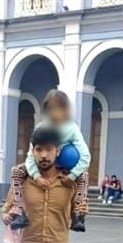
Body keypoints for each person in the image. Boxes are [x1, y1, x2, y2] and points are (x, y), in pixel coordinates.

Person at [9, 89, 90, 233]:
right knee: (16, 171)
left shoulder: (71, 128)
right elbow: (30, 155)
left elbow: (85, 157)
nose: (54, 112)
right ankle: (19, 211)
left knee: (83, 176)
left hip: (66, 167)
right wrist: (37, 176)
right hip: (40, 168)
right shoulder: (41, 127)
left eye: (58, 108)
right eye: (51, 108)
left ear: (65, 109)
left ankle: (79, 215)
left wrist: (72, 177)